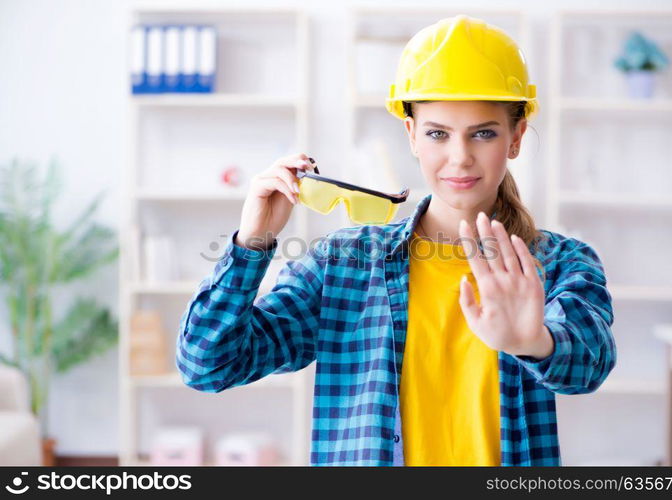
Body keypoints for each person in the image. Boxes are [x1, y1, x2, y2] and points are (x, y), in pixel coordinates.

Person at [176, 15, 616, 466]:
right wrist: (252, 243)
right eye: (437, 133)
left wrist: (534, 341)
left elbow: (589, 364)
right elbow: (208, 365)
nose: (459, 157)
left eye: (483, 133)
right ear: (412, 135)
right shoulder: (343, 265)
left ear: (516, 137)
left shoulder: (560, 263)